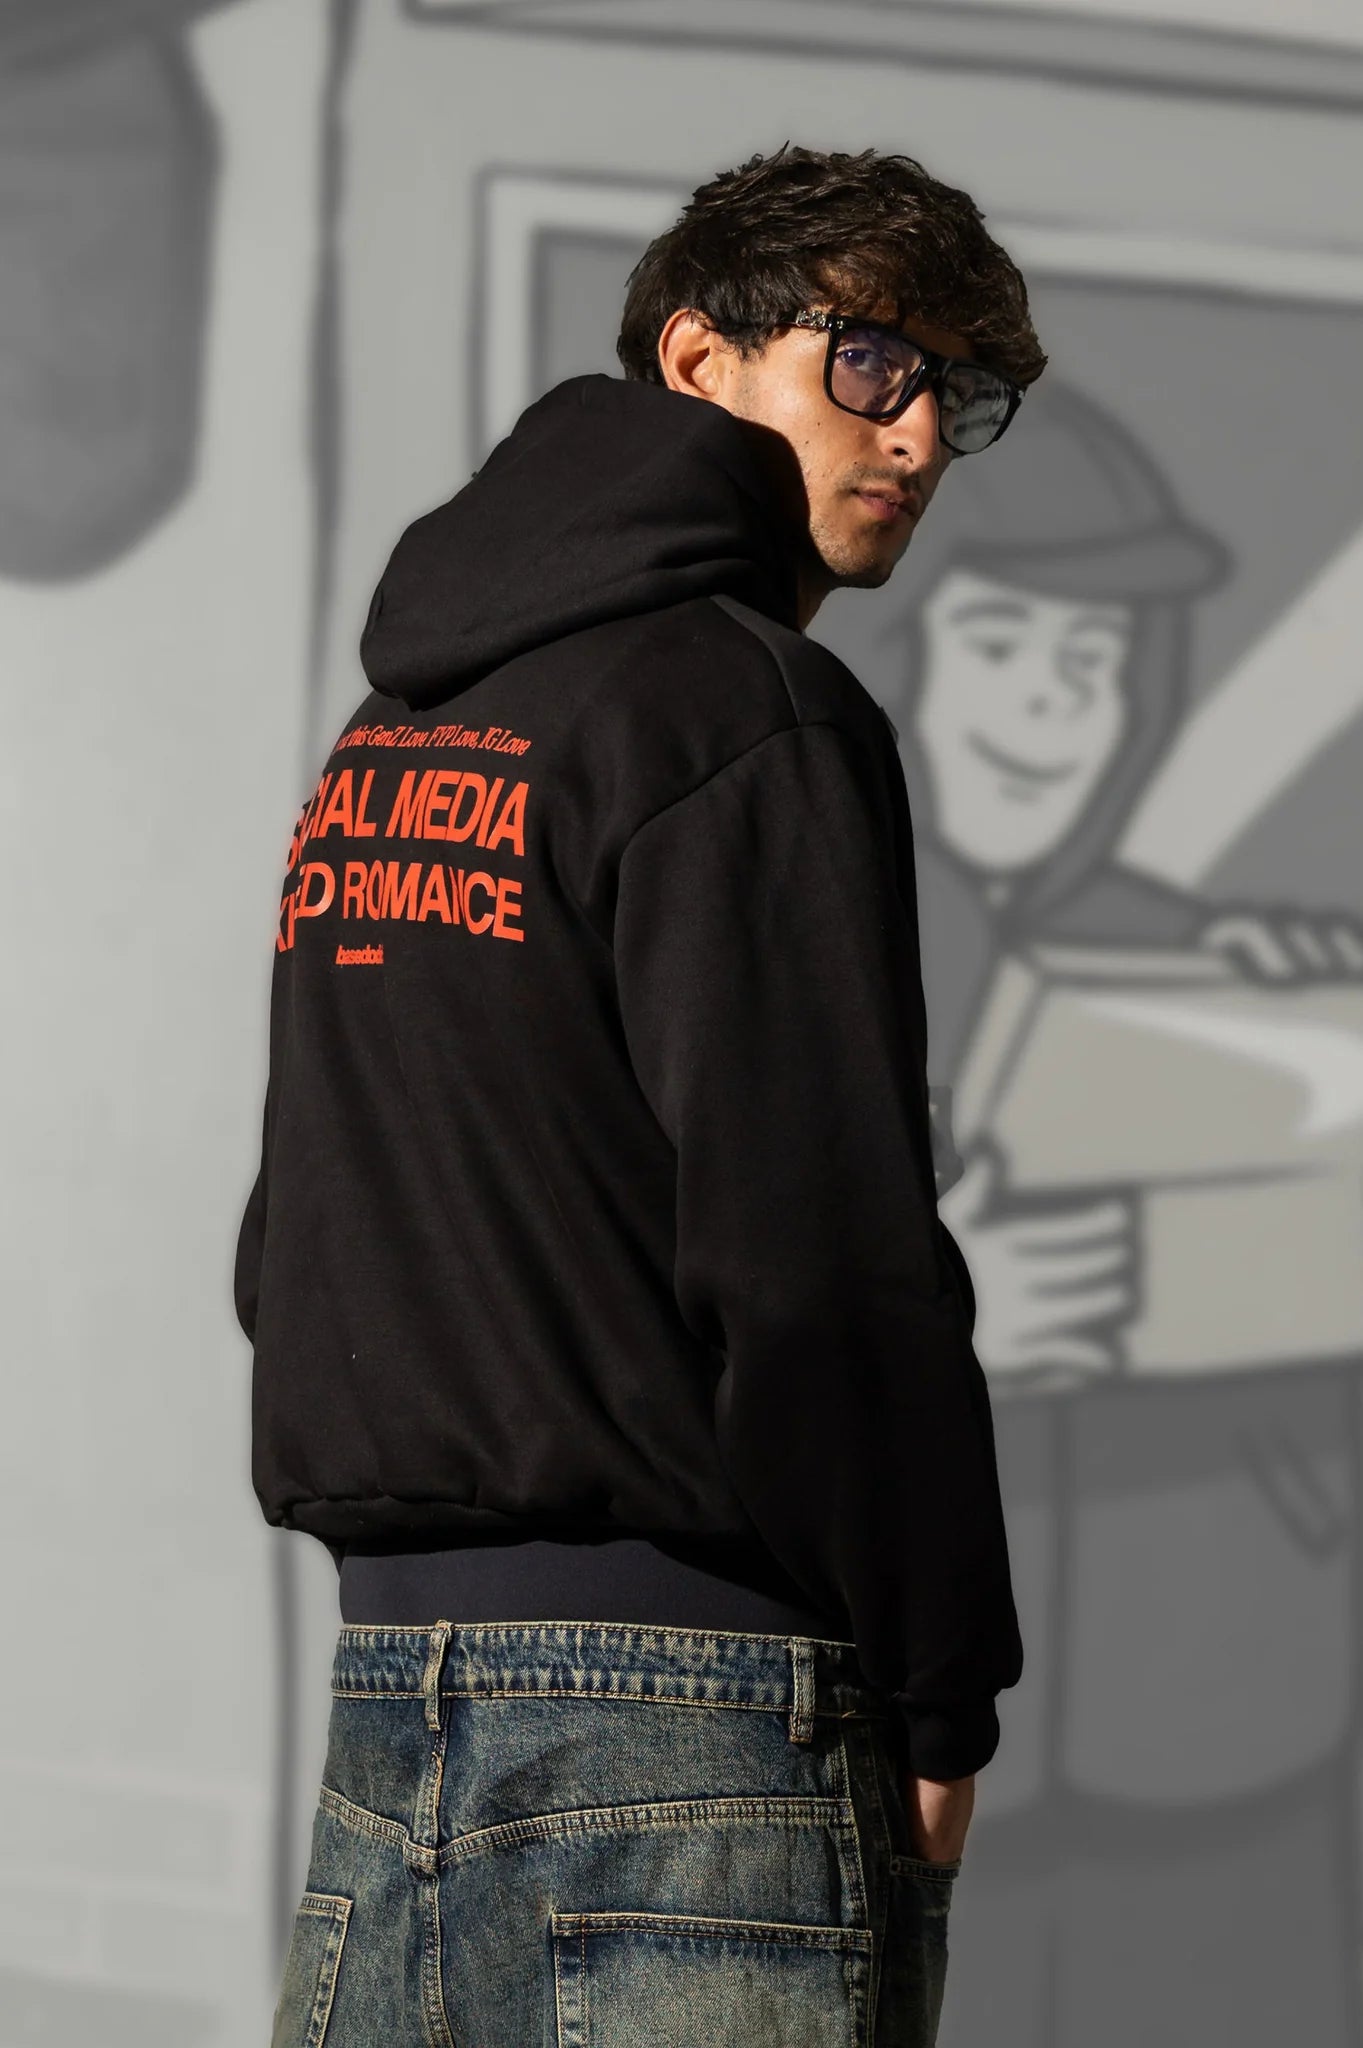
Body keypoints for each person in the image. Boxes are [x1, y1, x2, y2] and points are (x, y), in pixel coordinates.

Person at [236, 142, 1048, 2048]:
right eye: (870, 358)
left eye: (956, 393)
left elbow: (296, 1242)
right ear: (697, 355)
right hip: (693, 1746)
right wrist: (945, 1693)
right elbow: (823, 1264)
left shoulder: (395, 733)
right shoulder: (749, 713)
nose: (917, 433)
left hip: (393, 1726)